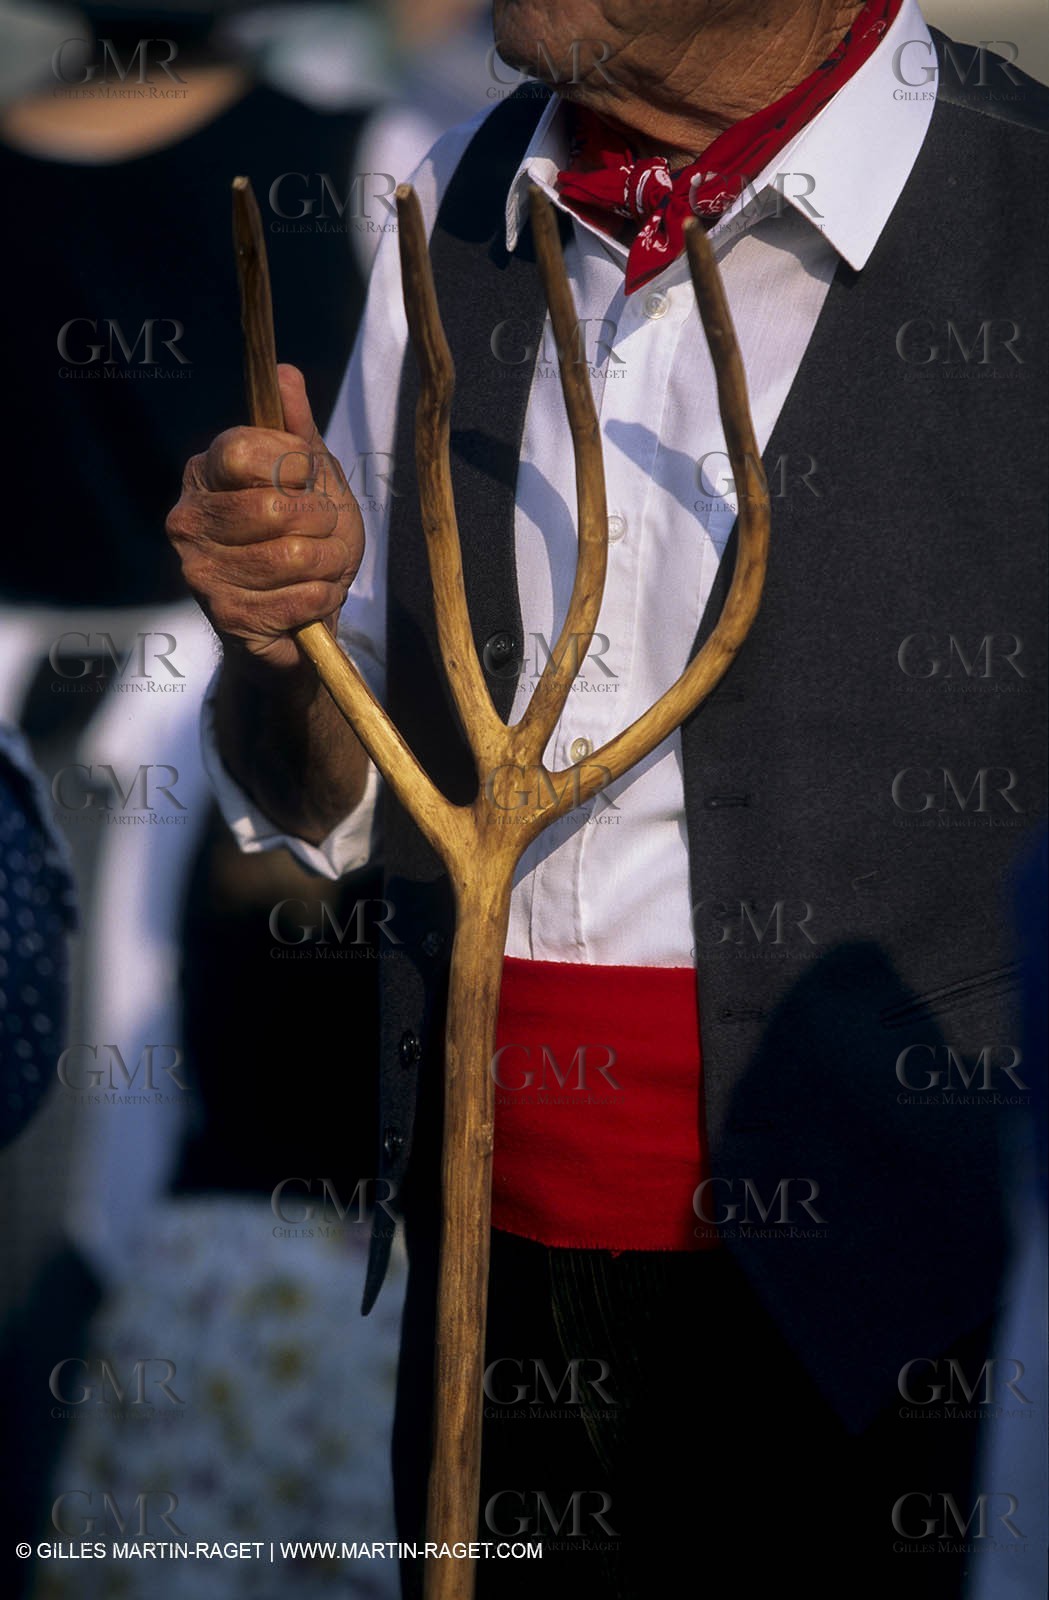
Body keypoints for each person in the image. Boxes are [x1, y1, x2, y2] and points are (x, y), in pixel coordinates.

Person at [166, 2, 1048, 1594]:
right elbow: (327, 799)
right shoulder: (453, 200)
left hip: (920, 1305)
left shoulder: (1021, 217)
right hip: (493, 1287)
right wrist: (281, 650)